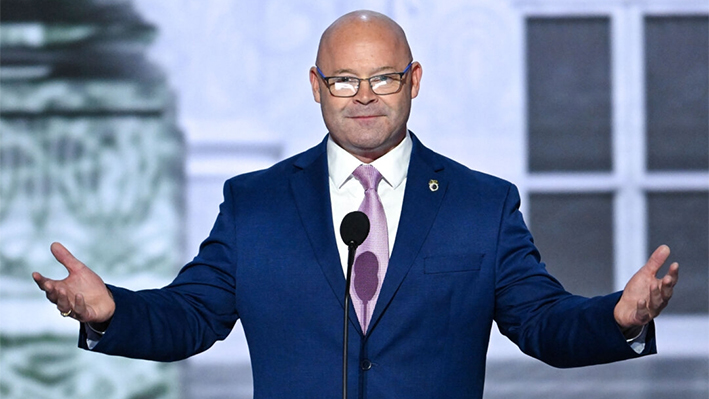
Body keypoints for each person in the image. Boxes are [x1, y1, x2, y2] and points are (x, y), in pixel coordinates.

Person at [33, 10, 679, 399]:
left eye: (383, 78)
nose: (363, 95)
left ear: (413, 82)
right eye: (343, 79)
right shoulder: (254, 204)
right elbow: (190, 315)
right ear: (316, 87)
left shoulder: (480, 205)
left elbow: (542, 322)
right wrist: (112, 310)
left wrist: (618, 318)